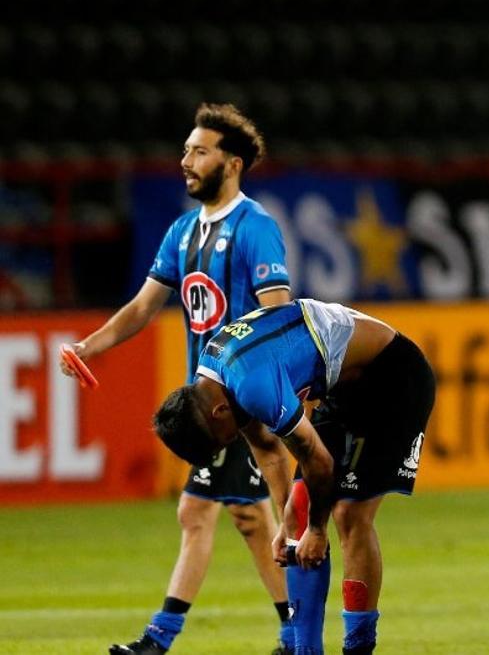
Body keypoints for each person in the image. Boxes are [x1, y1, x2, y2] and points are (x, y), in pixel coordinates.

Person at [59, 103, 294, 655]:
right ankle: (290, 634)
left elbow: (279, 312)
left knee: (220, 515)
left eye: (199, 150)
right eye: (186, 149)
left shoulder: (254, 228)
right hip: (206, 410)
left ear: (231, 163)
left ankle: (164, 641)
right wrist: (89, 346)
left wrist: (261, 385)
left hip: (236, 405)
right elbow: (143, 308)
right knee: (239, 518)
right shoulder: (183, 230)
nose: (185, 159)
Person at [154, 298, 436, 655]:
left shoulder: (251, 385)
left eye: (221, 438)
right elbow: (265, 447)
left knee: (349, 514)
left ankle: (358, 648)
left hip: (392, 379)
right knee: (299, 512)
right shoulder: (213, 378)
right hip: (344, 388)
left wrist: (316, 531)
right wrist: (288, 526)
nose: (229, 442)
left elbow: (318, 461)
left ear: (219, 411)